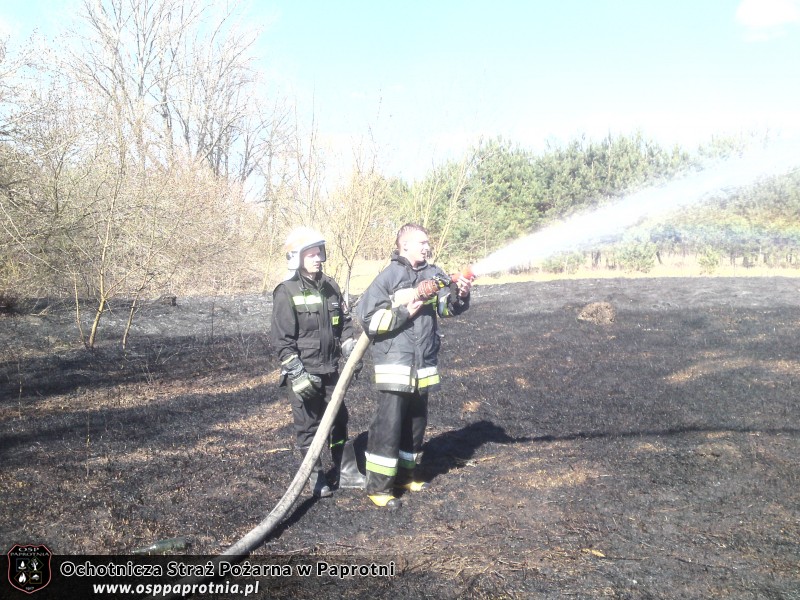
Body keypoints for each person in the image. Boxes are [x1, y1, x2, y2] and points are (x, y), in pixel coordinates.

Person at [356, 223, 472, 509]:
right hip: (395, 365)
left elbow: (447, 308)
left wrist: (462, 293)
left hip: (422, 366)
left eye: (428, 242)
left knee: (416, 426)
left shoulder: (435, 274)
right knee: (388, 427)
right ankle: (379, 488)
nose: (426, 246)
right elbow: (368, 319)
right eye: (421, 242)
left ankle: (407, 476)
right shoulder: (389, 276)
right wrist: (403, 313)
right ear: (404, 245)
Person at [270, 226, 365, 498]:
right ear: (296, 258)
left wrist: (349, 348)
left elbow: (344, 325)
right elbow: (282, 340)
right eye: (310, 254)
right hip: (305, 373)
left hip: (331, 371)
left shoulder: (331, 287)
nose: (317, 258)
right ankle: (315, 477)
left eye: (319, 253)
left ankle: (346, 471)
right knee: (308, 427)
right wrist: (297, 374)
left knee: (339, 420)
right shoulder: (286, 292)